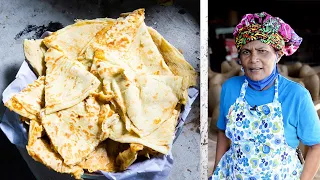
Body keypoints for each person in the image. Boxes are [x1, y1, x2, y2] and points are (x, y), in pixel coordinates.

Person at [209, 12, 320, 179]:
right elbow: (223, 133)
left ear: (278, 55)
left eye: (262, 51)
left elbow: (316, 146)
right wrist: (216, 172)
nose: (254, 59)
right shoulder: (230, 88)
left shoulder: (296, 95)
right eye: (246, 52)